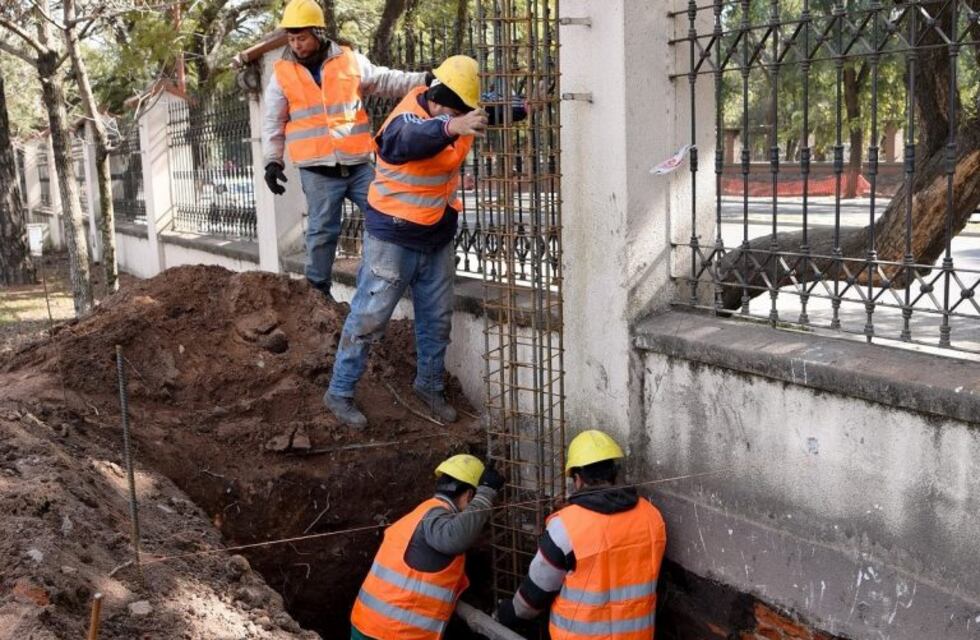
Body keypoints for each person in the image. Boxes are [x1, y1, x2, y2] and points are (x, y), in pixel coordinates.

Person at [322, 54, 487, 428]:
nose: (459, 118)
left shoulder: (456, 113)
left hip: (436, 235)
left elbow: (484, 114)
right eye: (454, 112)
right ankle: (340, 391)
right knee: (368, 318)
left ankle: (428, 385)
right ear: (439, 98)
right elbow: (410, 140)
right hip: (393, 238)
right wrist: (452, 126)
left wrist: (523, 107)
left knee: (437, 319)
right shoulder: (406, 121)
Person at [261, 0, 430, 300]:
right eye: (291, 39)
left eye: (301, 37)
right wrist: (272, 161)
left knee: (392, 211)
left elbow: (385, 80)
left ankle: (420, 263)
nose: (296, 45)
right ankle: (317, 294)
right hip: (317, 169)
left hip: (357, 163)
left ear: (318, 32)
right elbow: (273, 121)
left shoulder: (349, 60)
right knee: (323, 231)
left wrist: (424, 79)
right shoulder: (282, 74)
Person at [496, 430, 667, 639]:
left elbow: (535, 595)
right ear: (614, 473)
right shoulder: (651, 517)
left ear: (577, 479)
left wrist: (508, 613)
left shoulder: (566, 527)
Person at [350, 454, 505, 639]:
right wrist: (486, 494)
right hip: (397, 633)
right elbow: (455, 538)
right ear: (469, 496)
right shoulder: (437, 519)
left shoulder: (421, 513)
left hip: (367, 624)